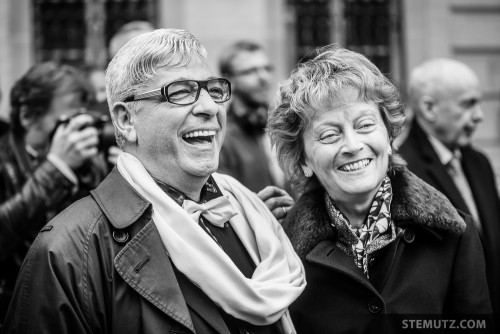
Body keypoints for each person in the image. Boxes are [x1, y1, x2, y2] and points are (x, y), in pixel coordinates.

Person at [3, 28, 306, 334]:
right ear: (126, 120)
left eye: (213, 90)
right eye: (180, 92)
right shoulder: (68, 252)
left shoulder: (252, 216)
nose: (210, 108)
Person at [267, 45, 492, 334]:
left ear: (388, 135)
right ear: (303, 160)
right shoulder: (282, 256)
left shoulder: (453, 234)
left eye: (365, 125)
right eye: (329, 134)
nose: (352, 145)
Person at [0, 62, 109, 325]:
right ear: (27, 116)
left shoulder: (90, 161)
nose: (76, 133)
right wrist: (56, 169)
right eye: (65, 122)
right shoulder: (4, 159)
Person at [398, 58, 500, 317]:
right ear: (429, 108)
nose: (479, 115)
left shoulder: (479, 162)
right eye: (468, 104)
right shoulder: (403, 172)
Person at [218, 41, 294, 221]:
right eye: (250, 71)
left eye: (267, 69)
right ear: (229, 80)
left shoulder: (287, 127)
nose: (264, 78)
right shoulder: (221, 138)